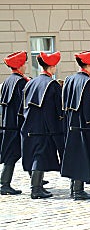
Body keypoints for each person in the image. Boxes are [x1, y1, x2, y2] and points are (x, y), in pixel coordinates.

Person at [61, 49, 90, 200]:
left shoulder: (69, 79)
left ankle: (74, 188)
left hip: (70, 121)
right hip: (84, 124)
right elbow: (89, 106)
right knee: (83, 155)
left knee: (75, 154)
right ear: (88, 64)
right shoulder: (88, 81)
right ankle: (78, 191)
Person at [21, 51, 64, 199]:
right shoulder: (52, 84)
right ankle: (36, 189)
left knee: (36, 156)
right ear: (51, 66)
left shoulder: (30, 82)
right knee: (39, 157)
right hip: (44, 128)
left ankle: (38, 186)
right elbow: (58, 108)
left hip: (30, 126)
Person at [0, 51, 29, 195]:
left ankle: (36, 178)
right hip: (16, 124)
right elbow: (22, 106)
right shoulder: (20, 81)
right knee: (14, 153)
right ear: (20, 66)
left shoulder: (7, 81)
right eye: (24, 64)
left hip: (7, 122)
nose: (25, 66)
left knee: (17, 152)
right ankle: (4, 183)